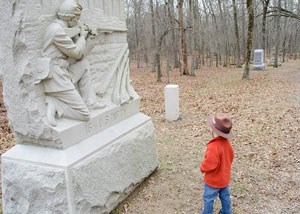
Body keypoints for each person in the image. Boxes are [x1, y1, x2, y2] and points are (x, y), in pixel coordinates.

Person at [41, 0, 104, 126]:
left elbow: (80, 57)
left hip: (64, 70)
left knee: (84, 64)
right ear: (70, 18)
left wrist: (89, 39)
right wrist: (81, 37)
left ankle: (90, 101)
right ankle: (56, 105)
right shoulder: (56, 30)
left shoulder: (62, 29)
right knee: (84, 115)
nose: (78, 21)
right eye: (77, 18)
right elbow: (76, 53)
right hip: (56, 77)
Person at [200, 113, 234, 214]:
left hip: (213, 181)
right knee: (225, 197)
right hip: (224, 179)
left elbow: (210, 164)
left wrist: (202, 167)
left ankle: (207, 212)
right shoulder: (227, 144)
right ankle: (227, 211)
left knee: (209, 199)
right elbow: (231, 157)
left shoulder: (213, 147)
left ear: (213, 130)